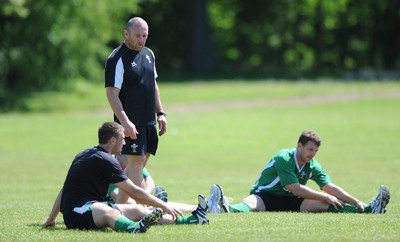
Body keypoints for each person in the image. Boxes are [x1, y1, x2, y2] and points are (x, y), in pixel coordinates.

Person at [42, 122, 208, 234]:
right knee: (108, 211)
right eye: (123, 138)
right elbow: (134, 192)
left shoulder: (87, 154)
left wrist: (51, 218)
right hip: (77, 213)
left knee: (139, 210)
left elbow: (64, 188)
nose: (124, 143)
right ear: (112, 140)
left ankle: (192, 220)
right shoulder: (105, 160)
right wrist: (162, 204)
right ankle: (134, 228)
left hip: (92, 207)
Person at [207, 130, 390, 214]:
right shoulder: (283, 158)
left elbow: (330, 187)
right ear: (299, 145)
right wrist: (324, 196)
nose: (313, 154)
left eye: (316, 151)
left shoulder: (313, 165)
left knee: (324, 206)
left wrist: (358, 202)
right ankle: (225, 209)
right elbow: (295, 188)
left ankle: (368, 209)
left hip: (292, 201)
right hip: (266, 196)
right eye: (310, 149)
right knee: (251, 203)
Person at [105, 17, 167, 204]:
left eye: (144, 36)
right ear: (126, 33)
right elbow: (111, 93)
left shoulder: (149, 54)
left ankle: (118, 206)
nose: (141, 40)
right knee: (136, 166)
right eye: (137, 36)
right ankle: (138, 212)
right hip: (130, 123)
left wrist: (161, 113)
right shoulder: (116, 59)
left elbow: (152, 85)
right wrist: (124, 122)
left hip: (148, 123)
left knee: (135, 169)